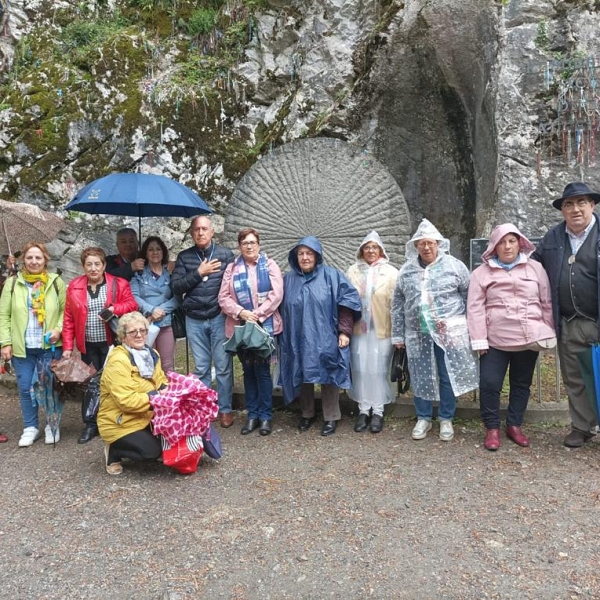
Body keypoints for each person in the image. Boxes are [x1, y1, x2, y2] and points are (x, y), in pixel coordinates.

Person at [467, 224, 556, 450]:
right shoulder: (480, 274)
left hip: (528, 337)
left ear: (520, 243)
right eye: (501, 242)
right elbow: (475, 308)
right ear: (493, 246)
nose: (507, 246)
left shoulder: (536, 269)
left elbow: (546, 302)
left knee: (521, 384)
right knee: (489, 383)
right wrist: (479, 339)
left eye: (512, 241)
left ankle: (514, 425)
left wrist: (547, 330)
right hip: (495, 339)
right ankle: (492, 428)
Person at [391, 219, 478, 442]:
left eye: (430, 243)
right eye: (421, 243)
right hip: (417, 333)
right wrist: (398, 335)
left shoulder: (454, 266)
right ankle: (423, 417)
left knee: (446, 374)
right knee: (421, 375)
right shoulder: (407, 271)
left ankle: (446, 418)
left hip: (447, 334)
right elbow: (398, 303)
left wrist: (466, 328)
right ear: (415, 246)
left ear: (438, 244)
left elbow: (469, 298)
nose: (426, 247)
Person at [533, 181, 600, 448]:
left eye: (581, 202)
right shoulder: (553, 236)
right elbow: (533, 264)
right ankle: (582, 426)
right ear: (562, 210)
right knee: (575, 378)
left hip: (597, 320)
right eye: (569, 204)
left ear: (592, 205)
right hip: (569, 321)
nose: (575, 209)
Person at [279, 236, 361, 436]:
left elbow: (348, 301)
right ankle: (307, 413)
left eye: (309, 253)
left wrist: (344, 330)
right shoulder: (288, 280)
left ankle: (331, 416)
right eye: (301, 254)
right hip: (296, 335)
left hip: (325, 334)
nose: (305, 257)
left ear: (317, 256)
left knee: (328, 373)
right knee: (302, 373)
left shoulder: (332, 276)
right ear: (295, 257)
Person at [62, 247, 138, 444]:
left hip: (111, 342)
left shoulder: (118, 283)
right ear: (83, 266)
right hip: (87, 343)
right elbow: (69, 318)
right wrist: (68, 347)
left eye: (97, 264)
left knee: (114, 381)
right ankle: (90, 423)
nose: (93, 268)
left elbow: (132, 305)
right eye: (89, 264)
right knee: (90, 384)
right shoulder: (75, 286)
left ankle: (113, 420)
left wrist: (115, 308)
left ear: (104, 265)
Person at [218, 228, 283, 436]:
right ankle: (252, 414)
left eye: (252, 242)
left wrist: (258, 314)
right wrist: (242, 312)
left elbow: (277, 293)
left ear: (259, 244)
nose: (249, 246)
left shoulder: (270, 265)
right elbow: (223, 297)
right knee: (248, 371)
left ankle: (265, 416)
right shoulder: (232, 268)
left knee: (263, 372)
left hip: (264, 327)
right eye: (245, 243)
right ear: (239, 246)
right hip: (241, 328)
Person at [171, 215, 235, 427]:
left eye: (204, 229)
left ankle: (225, 409)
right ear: (191, 233)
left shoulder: (225, 255)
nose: (200, 233)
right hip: (194, 318)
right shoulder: (184, 257)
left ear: (212, 231)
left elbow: (234, 284)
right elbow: (176, 286)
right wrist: (199, 273)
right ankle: (205, 409)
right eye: (196, 229)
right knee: (201, 367)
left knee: (223, 365)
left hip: (218, 317)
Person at [0, 242, 66, 446]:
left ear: (45, 259)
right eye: (29, 258)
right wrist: (5, 342)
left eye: (38, 257)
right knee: (24, 387)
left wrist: (58, 329)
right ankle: (30, 426)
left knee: (49, 388)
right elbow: (4, 315)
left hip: (49, 346)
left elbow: (66, 311)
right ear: (23, 261)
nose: (34, 261)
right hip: (23, 347)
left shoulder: (55, 282)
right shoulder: (12, 284)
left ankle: (51, 425)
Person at [98, 312, 167, 475]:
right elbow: (126, 401)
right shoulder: (118, 361)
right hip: (120, 421)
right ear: (123, 336)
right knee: (152, 452)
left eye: (142, 330)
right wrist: (155, 397)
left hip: (145, 416)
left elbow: (161, 380)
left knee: (171, 443)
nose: (139, 335)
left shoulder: (152, 354)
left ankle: (144, 440)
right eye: (132, 332)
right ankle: (114, 449)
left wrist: (170, 392)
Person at [346, 231, 398, 433]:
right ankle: (363, 409)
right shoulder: (353, 271)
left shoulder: (392, 273)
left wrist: (398, 332)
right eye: (367, 247)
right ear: (361, 251)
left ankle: (378, 411)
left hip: (382, 329)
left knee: (378, 369)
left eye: (374, 247)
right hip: (359, 329)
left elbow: (396, 304)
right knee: (360, 368)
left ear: (381, 250)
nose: (370, 251)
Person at [131, 236, 179, 372]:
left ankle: (168, 393)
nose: (155, 252)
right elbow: (134, 296)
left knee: (167, 365)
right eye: (151, 249)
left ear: (163, 252)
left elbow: (177, 297)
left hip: (165, 323)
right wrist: (151, 310)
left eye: (158, 249)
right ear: (145, 253)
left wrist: (160, 310)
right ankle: (150, 393)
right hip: (145, 323)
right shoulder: (139, 274)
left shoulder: (170, 273)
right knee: (147, 363)